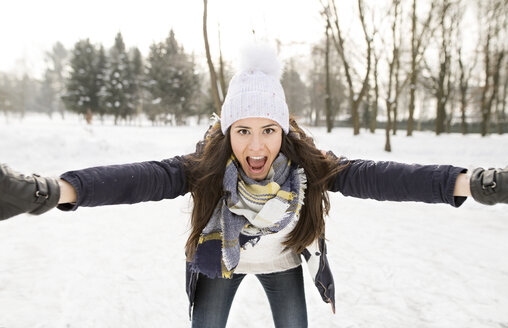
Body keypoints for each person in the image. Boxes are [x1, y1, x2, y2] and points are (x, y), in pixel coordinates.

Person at [0, 44, 507, 328]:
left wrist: (469, 183)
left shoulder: (308, 165)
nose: (257, 145)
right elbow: (140, 178)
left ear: (283, 131)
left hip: (283, 264)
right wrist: (53, 191)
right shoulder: (204, 168)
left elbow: (382, 175)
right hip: (221, 261)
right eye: (243, 130)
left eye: (269, 130)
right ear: (229, 133)